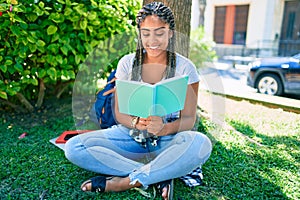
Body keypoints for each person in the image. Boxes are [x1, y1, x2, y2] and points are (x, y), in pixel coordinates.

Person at [65, 2, 212, 200]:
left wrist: (164, 129)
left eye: (160, 33)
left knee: (201, 143)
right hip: (130, 136)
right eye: (146, 33)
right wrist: (135, 122)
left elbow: (189, 119)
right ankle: (159, 175)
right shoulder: (126, 63)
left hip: (168, 140)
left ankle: (127, 181)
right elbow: (119, 113)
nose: (153, 40)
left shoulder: (186, 68)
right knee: (74, 148)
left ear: (170, 33)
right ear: (140, 34)